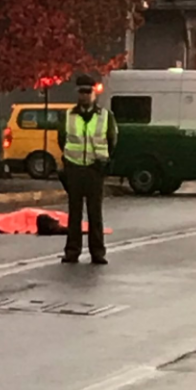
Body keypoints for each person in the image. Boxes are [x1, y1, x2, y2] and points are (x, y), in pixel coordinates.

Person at [58, 75, 118, 265]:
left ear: (94, 94)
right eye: (81, 92)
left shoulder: (106, 116)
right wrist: (69, 162)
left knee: (95, 213)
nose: (84, 96)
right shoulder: (68, 115)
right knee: (74, 213)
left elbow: (112, 140)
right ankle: (72, 252)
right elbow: (63, 139)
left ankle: (97, 253)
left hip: (95, 169)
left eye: (88, 92)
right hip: (74, 169)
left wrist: (102, 161)